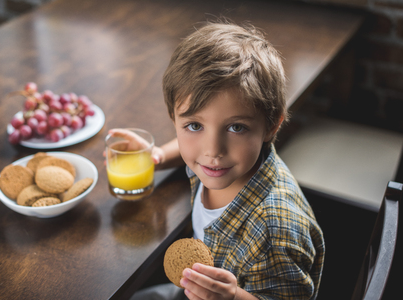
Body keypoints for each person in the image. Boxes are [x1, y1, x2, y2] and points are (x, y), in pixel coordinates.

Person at [110, 21, 325, 300]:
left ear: (271, 126)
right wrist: (158, 156)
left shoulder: (274, 232)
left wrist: (233, 296)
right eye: (195, 126)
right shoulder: (224, 160)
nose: (212, 150)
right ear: (175, 120)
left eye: (236, 128)